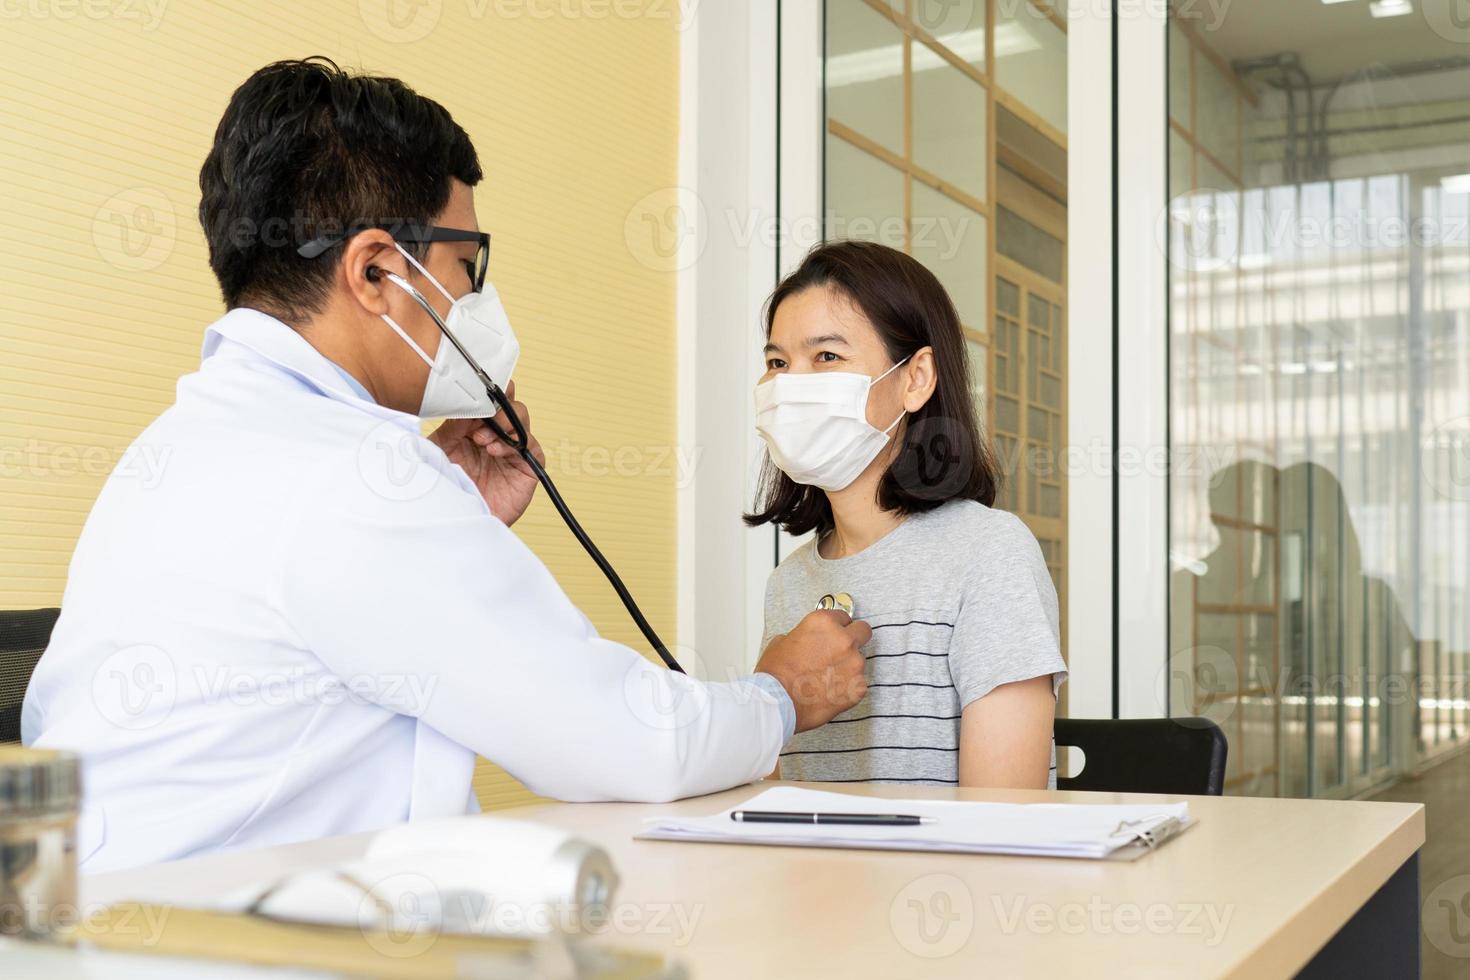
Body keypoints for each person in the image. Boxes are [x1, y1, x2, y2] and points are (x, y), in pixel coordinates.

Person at [21, 58, 869, 873]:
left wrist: (444, 507)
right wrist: (780, 693)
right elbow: (625, 741)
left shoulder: (182, 446)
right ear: (377, 270)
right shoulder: (348, 477)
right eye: (468, 266)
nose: (475, 300)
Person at [747, 241, 1066, 788]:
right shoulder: (789, 582)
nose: (790, 385)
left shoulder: (988, 553)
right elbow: (768, 795)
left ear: (915, 378)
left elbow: (1005, 817)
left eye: (826, 356)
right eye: (778, 362)